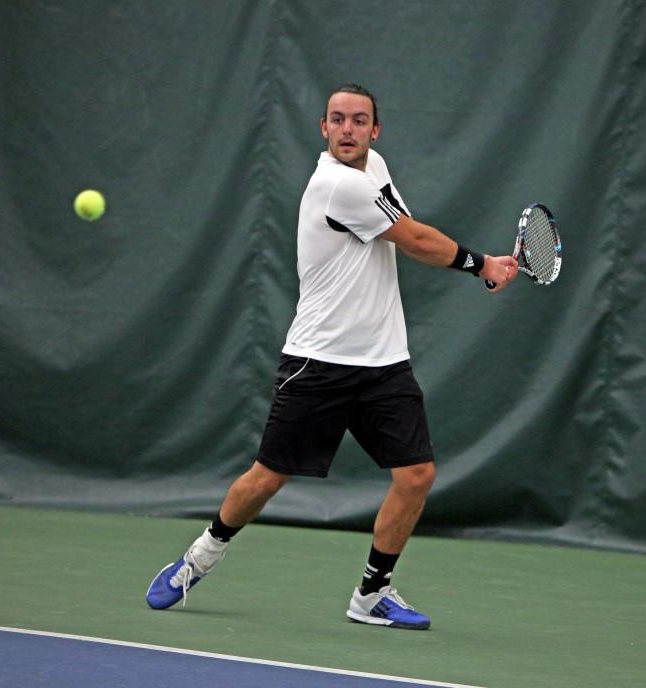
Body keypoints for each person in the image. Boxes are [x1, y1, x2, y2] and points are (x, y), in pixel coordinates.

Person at [146, 83, 518, 630]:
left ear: (375, 130)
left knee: (416, 475)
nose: (348, 129)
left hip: (383, 361)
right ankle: (200, 557)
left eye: (359, 120)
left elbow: (398, 232)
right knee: (267, 478)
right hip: (317, 361)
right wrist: (482, 264)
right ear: (323, 129)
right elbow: (414, 239)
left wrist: (476, 265)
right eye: (338, 120)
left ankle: (372, 594)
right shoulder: (335, 185)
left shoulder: (375, 171)